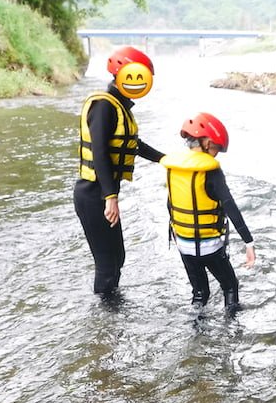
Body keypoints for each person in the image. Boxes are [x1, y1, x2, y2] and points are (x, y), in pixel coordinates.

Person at [74, 45, 164, 297]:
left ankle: (110, 321)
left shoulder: (117, 106)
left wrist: (164, 160)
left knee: (118, 258)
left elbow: (131, 145)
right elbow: (100, 152)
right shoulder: (103, 106)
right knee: (107, 265)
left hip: (100, 194)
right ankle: (104, 324)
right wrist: (110, 197)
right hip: (93, 195)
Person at [160, 112, 256, 316]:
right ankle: (231, 336)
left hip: (184, 245)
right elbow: (230, 206)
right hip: (209, 246)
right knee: (230, 286)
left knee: (199, 293)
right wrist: (249, 243)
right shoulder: (210, 171)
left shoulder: (173, 166)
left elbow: (171, 205)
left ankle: (197, 335)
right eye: (216, 148)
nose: (216, 153)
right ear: (206, 142)